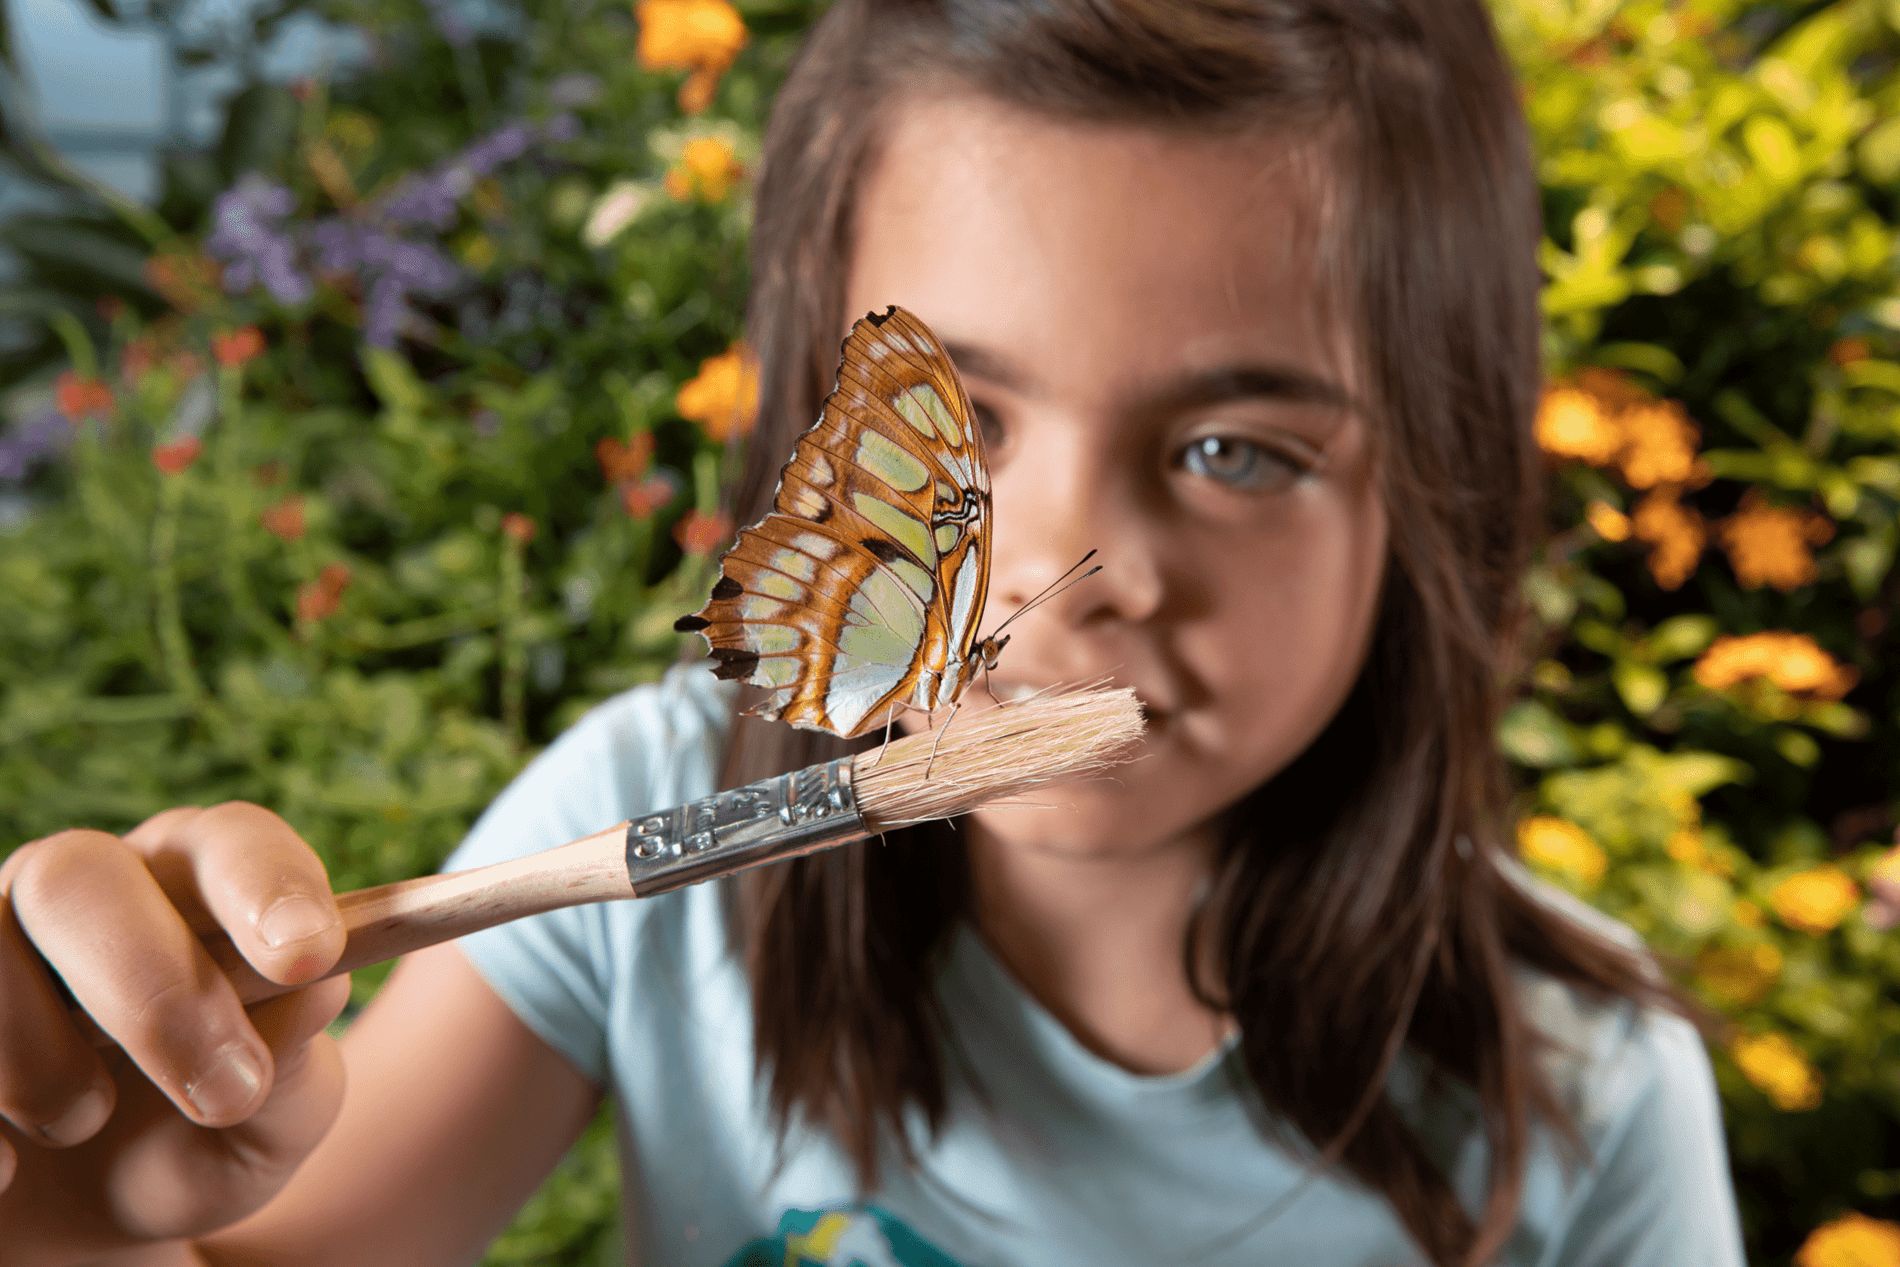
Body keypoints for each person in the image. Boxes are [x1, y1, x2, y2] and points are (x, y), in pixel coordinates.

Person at [0, 2, 1750, 1264]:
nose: (1074, 564)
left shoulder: (1589, 1095)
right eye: (963, 424)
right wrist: (90, 1218)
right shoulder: (649, 820)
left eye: (1238, 451)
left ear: (1442, 487)